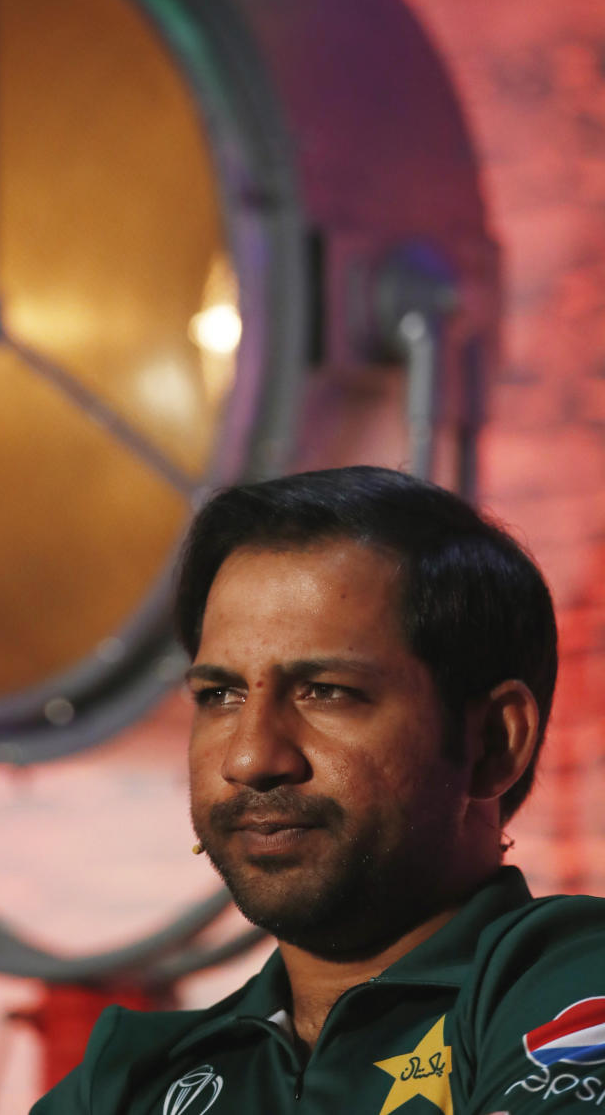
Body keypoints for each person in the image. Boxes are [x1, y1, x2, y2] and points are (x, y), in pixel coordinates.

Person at [31, 466, 605, 1115]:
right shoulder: (130, 1079)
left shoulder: (569, 983)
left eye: (326, 690)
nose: (249, 757)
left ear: (494, 742)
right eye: (220, 695)